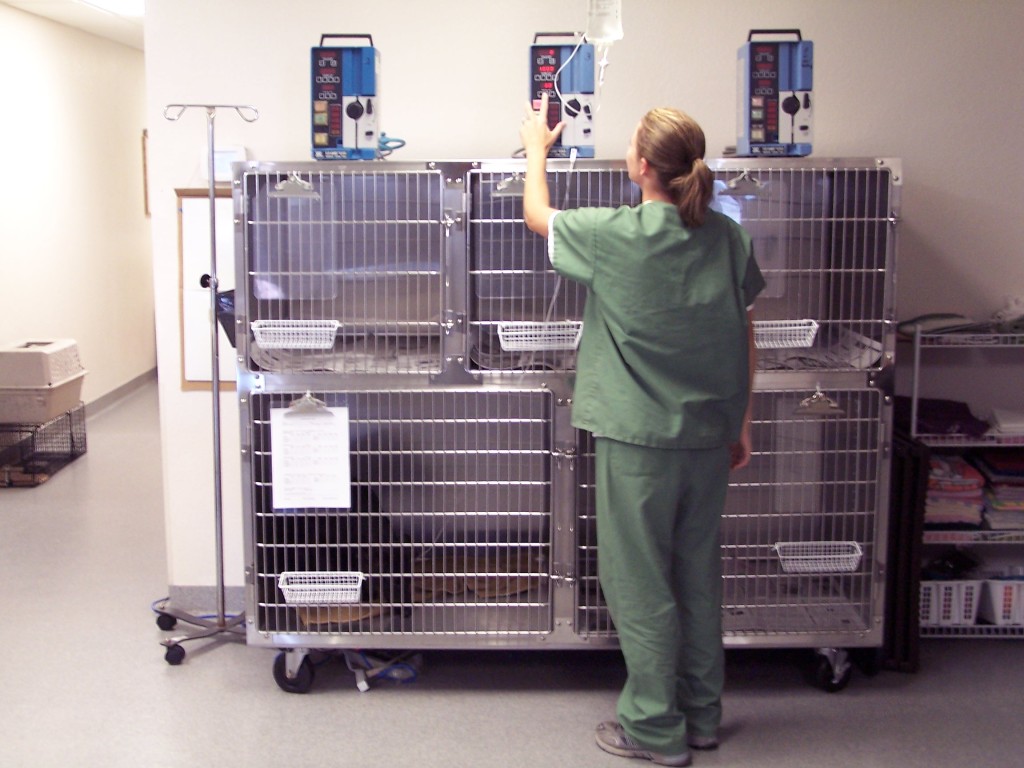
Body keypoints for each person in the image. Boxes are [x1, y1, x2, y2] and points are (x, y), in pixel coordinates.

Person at [519, 94, 765, 767]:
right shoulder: (727, 237)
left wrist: (536, 150)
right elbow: (744, 329)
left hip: (638, 442)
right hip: (710, 437)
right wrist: (741, 421)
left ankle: (655, 730)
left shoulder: (613, 234)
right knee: (695, 574)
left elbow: (537, 216)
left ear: (641, 167)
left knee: (640, 582)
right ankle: (703, 716)